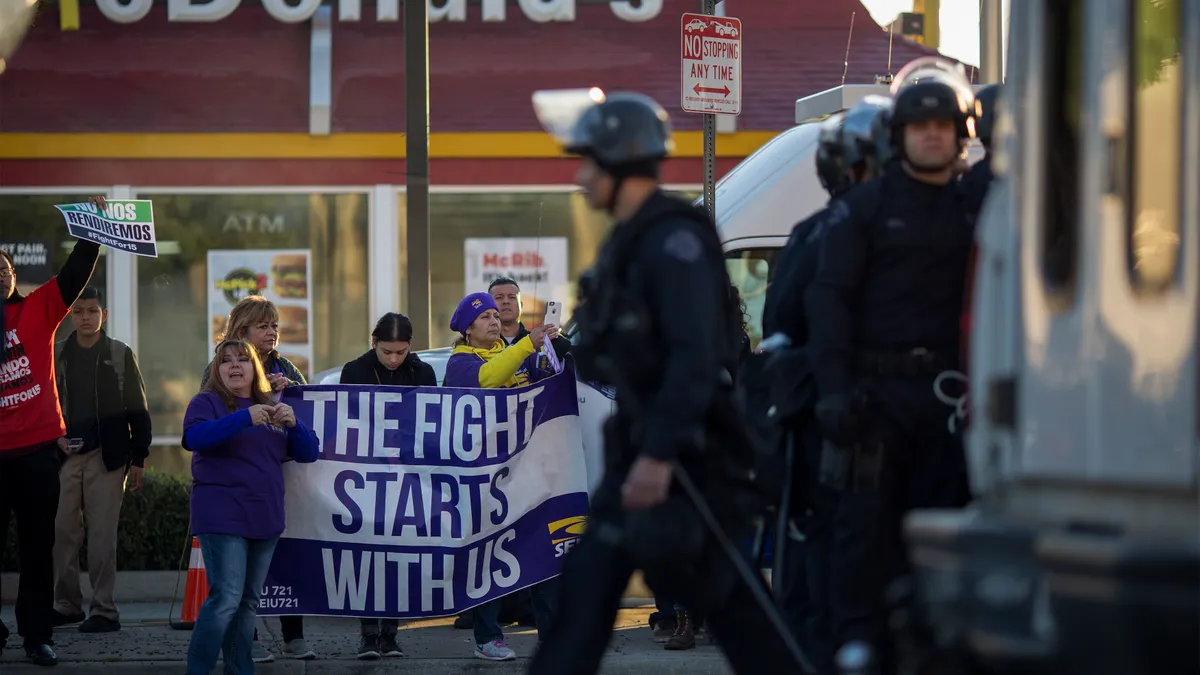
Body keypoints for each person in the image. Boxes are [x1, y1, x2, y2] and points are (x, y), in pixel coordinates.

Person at [526, 90, 809, 675]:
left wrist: (658, 457)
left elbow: (695, 358)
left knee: (742, 618)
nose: (581, 179)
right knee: (584, 599)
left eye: (588, 164)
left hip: (686, 464)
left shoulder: (672, 241)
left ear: (619, 162)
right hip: (644, 448)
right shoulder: (630, 240)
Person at [804, 58, 978, 673]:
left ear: (961, 133)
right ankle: (858, 643)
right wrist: (834, 388)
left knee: (944, 527)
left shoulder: (974, 205)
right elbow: (829, 300)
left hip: (950, 401)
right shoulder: (866, 208)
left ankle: (935, 638)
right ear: (899, 134)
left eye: (943, 124)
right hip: (874, 398)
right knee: (864, 527)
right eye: (919, 124)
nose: (931, 133)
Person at [0, 195, 106, 667]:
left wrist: (92, 226)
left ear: (14, 277)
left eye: (3, 269)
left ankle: (37, 634)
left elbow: (75, 270)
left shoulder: (38, 309)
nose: (0, 275)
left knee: (37, 548)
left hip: (37, 453)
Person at [182, 339, 320, 675]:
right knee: (226, 597)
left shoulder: (270, 406)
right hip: (221, 513)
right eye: (226, 360)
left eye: (242, 359)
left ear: (254, 368)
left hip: (265, 516)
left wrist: (294, 424)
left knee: (247, 605)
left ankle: (239, 669)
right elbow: (194, 438)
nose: (234, 365)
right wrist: (244, 417)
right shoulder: (208, 402)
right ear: (217, 369)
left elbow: (308, 452)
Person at [443, 291, 559, 661]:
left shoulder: (509, 354)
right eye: (485, 317)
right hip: (486, 480)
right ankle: (487, 638)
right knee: (489, 559)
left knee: (542, 552)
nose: (494, 321)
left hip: (525, 474)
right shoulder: (460, 361)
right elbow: (488, 380)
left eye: (496, 315)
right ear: (467, 330)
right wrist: (527, 343)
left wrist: (548, 358)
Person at [200, 294, 309, 662]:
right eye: (263, 325)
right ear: (242, 330)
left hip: (278, 475)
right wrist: (257, 392)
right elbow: (207, 422)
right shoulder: (219, 366)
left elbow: (305, 416)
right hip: (232, 487)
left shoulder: (289, 370)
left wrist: (288, 393)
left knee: (285, 557)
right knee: (234, 589)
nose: (272, 331)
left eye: (275, 325)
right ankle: (247, 644)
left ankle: (293, 635)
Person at [51, 286, 153, 634]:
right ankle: (66, 606)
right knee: (62, 532)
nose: (85, 317)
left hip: (106, 455)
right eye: (78, 311)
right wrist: (54, 438)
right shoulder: (57, 353)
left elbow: (137, 408)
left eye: (92, 311)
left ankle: (104, 610)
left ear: (103, 314)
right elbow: (43, 403)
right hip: (64, 454)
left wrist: (138, 456)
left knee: (102, 536)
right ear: (70, 315)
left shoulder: (119, 353)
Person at [339, 312, 436, 659]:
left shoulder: (422, 371)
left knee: (397, 556)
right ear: (373, 343)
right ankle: (368, 634)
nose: (394, 359)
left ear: (410, 345)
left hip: (407, 476)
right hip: (366, 475)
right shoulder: (355, 370)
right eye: (386, 352)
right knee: (367, 554)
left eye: (401, 352)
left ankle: (390, 633)